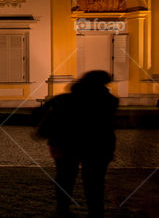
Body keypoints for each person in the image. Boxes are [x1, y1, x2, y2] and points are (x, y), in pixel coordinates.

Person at [37, 70, 118, 217]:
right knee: (95, 183)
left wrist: (51, 139)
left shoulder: (64, 99)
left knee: (65, 179)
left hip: (66, 145)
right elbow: (106, 127)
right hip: (98, 147)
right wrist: (110, 149)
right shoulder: (110, 101)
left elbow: (46, 116)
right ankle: (95, 212)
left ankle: (63, 209)